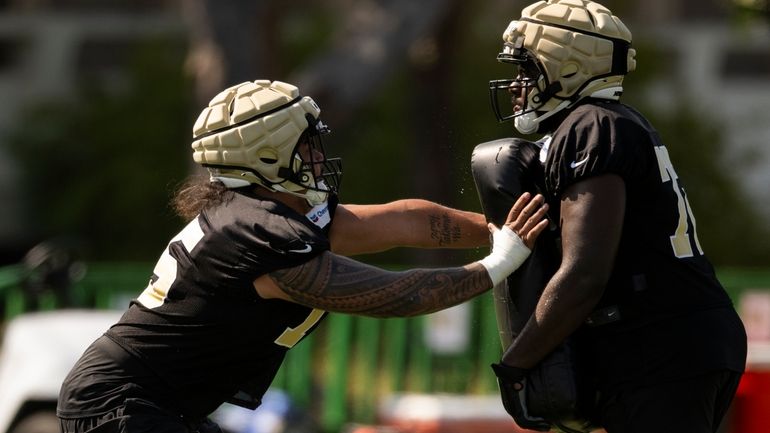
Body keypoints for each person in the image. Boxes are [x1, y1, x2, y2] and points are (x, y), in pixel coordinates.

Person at [56, 79, 549, 433]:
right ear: (266, 156)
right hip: (121, 404)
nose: (317, 156)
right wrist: (496, 264)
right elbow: (388, 295)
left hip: (151, 402)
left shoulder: (267, 213)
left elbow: (405, 221)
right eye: (306, 145)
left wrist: (506, 228)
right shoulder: (256, 231)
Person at [484, 1, 748, 433]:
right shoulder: (611, 122)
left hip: (660, 346)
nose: (517, 84)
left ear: (566, 69)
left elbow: (584, 272)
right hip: (675, 341)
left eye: (527, 70)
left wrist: (517, 365)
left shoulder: (591, 127)